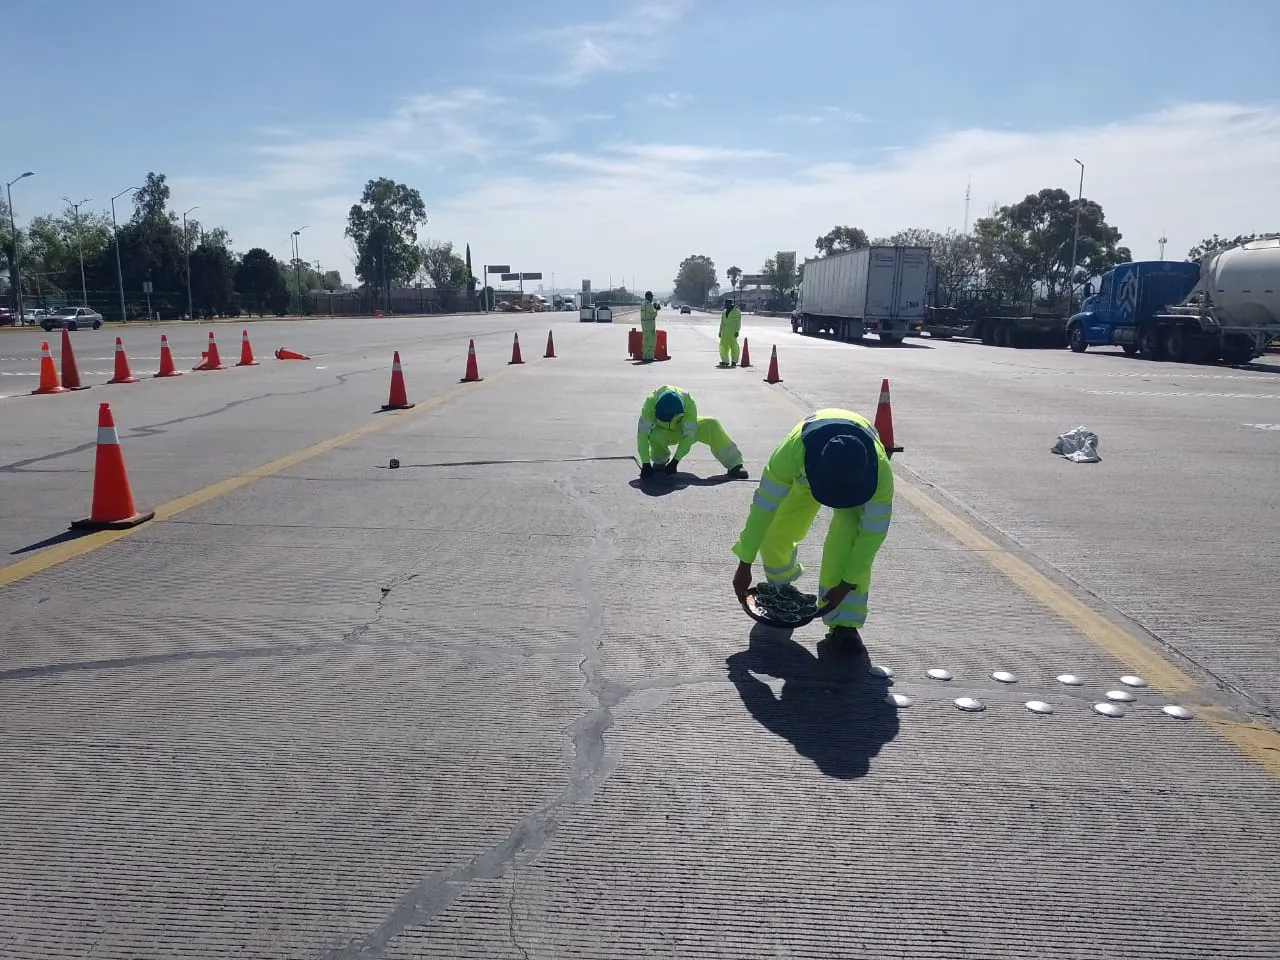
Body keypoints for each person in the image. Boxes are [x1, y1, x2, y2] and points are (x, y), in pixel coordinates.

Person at [730, 409, 894, 651]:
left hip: (856, 480)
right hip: (806, 474)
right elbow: (763, 509)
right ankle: (780, 588)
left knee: (847, 539)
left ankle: (844, 625)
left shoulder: (879, 474)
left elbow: (870, 537)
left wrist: (846, 584)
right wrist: (745, 562)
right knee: (776, 532)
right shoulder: (790, 454)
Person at [637, 385, 749, 480]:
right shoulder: (650, 403)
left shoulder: (688, 402)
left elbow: (689, 434)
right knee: (655, 435)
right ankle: (659, 462)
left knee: (711, 424)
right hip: (661, 432)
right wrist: (645, 463)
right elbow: (642, 434)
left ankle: (735, 465)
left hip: (682, 430)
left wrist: (676, 460)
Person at [718, 298, 742, 367]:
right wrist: (720, 331)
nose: (725, 306)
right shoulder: (724, 312)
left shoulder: (737, 312)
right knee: (723, 347)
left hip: (732, 332)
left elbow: (738, 322)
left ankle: (734, 361)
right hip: (725, 332)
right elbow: (722, 323)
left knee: (734, 347)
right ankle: (725, 361)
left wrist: (737, 331)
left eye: (726, 305)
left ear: (730, 305)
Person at [639, 291, 660, 361]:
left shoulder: (642, 304)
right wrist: (656, 310)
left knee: (645, 341)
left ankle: (644, 356)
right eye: (651, 296)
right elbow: (653, 315)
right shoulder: (649, 305)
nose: (652, 298)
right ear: (648, 296)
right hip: (650, 326)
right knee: (652, 341)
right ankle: (650, 356)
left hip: (644, 325)